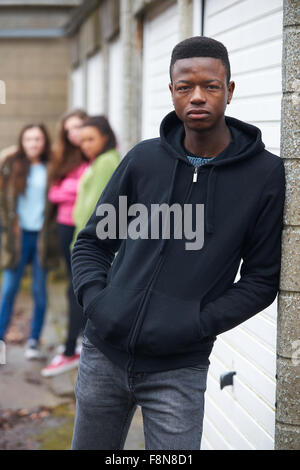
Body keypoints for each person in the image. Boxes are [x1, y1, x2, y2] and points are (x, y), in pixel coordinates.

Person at [70, 36, 286, 450]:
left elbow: (261, 281)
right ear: (171, 92)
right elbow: (93, 243)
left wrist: (195, 324)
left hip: (178, 369)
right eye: (185, 87)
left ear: (230, 90)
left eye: (211, 85)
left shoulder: (264, 176)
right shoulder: (143, 160)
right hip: (103, 356)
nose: (198, 96)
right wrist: (98, 302)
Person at [0, 124, 60, 359]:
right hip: (18, 236)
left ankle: (34, 340)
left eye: (38, 139)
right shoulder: (13, 166)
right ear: (21, 142)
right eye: (28, 139)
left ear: (45, 142)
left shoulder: (52, 167)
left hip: (43, 238)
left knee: (39, 290)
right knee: (8, 289)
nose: (33, 144)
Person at [41, 109, 90, 377]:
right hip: (64, 226)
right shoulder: (66, 158)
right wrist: (75, 188)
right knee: (72, 285)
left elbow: (89, 188)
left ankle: (73, 344)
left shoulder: (94, 155)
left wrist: (69, 190)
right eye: (69, 128)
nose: (74, 133)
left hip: (82, 226)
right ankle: (73, 342)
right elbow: (54, 192)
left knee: (78, 286)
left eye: (78, 126)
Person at [70, 115, 121, 251]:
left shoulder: (105, 162)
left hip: (90, 236)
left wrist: (79, 240)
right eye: (83, 141)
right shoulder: (102, 159)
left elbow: (94, 205)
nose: (85, 145)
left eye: (91, 139)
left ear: (105, 137)